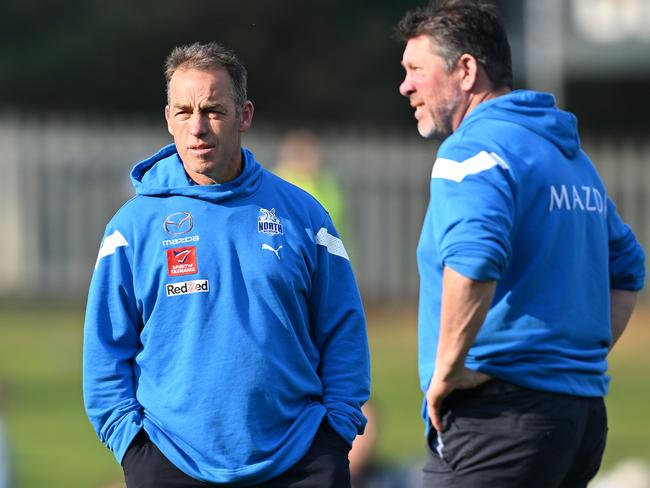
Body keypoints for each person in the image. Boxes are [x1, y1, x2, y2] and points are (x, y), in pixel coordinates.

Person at [83, 41, 370, 488]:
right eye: (184, 112)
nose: (198, 127)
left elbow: (342, 328)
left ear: (245, 115)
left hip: (300, 458)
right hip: (170, 459)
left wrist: (335, 431)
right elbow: (105, 351)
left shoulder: (304, 216)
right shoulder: (132, 228)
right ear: (168, 119)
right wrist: (134, 448)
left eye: (213, 110)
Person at [395, 2, 646, 487]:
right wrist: (570, 364)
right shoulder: (568, 158)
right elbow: (628, 270)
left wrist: (449, 371)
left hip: (498, 419)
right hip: (579, 419)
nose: (405, 85)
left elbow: (475, 259)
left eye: (415, 70)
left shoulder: (470, 151)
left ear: (466, 70)